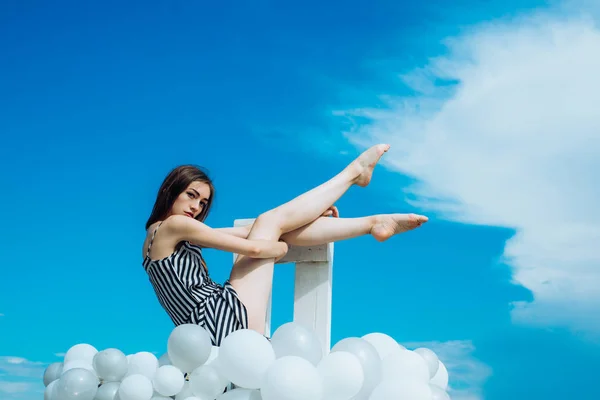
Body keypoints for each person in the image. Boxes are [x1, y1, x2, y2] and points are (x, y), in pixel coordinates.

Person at [142, 144, 428, 346]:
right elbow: (255, 247)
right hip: (220, 319)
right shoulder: (175, 225)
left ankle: (371, 222)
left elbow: (247, 232)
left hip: (206, 333)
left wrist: (304, 217)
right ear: (171, 190)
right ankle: (354, 176)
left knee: (268, 224)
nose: (196, 206)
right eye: (191, 195)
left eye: (202, 202)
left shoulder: (158, 237)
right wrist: (277, 248)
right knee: (269, 222)